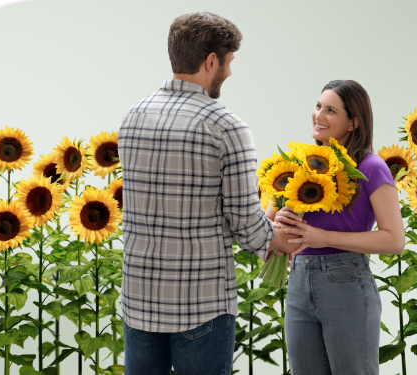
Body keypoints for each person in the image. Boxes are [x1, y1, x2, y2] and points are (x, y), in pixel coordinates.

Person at [117, 12, 300, 375]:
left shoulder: (132, 117)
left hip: (139, 298)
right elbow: (244, 218)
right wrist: (275, 239)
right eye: (229, 62)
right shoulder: (226, 126)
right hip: (200, 303)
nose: (229, 73)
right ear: (211, 61)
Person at [265, 80, 406, 375]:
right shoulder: (301, 163)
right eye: (318, 106)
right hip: (299, 281)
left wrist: (322, 237)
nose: (319, 115)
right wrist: (277, 224)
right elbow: (270, 223)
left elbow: (394, 240)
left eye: (331, 110)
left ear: (353, 122)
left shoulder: (371, 167)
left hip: (346, 283)